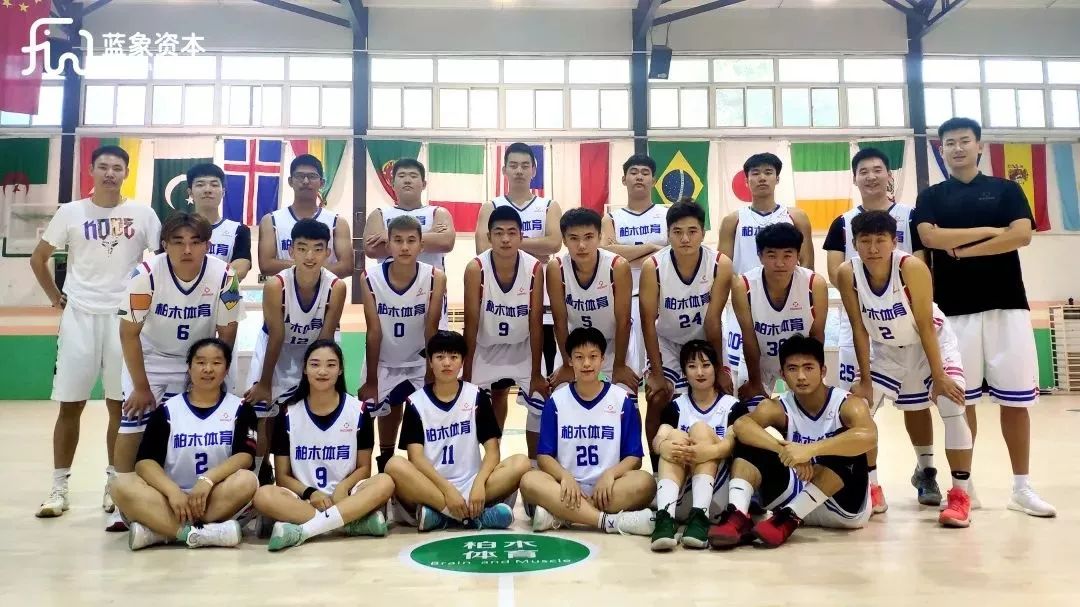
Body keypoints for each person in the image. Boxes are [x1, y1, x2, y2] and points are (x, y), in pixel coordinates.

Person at [913, 117, 1054, 517]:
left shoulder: (1006, 189)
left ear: (979, 145)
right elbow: (930, 237)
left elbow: (1021, 234)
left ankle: (1022, 488)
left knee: (1016, 401)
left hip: (1007, 306)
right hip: (954, 312)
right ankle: (964, 487)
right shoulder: (932, 196)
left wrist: (963, 251)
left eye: (964, 140)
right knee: (962, 402)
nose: (957, 148)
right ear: (941, 149)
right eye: (949, 142)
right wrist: (992, 231)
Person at [31, 145, 161, 520]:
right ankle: (59, 488)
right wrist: (55, 297)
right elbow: (38, 258)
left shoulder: (143, 213)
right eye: (103, 166)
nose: (109, 173)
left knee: (119, 405)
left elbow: (160, 260)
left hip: (124, 320)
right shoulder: (71, 212)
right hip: (80, 317)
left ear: (126, 173)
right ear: (91, 169)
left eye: (117, 168)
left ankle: (113, 484)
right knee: (70, 404)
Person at [836, 210, 974, 527]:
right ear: (855, 243)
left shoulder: (911, 267)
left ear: (894, 241)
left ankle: (960, 496)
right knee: (859, 410)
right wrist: (865, 380)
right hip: (886, 349)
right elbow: (858, 327)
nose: (873, 248)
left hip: (930, 344)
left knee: (952, 405)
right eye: (865, 241)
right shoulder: (848, 273)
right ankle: (872, 489)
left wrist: (939, 376)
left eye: (880, 240)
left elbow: (924, 324)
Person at [824, 147, 939, 513]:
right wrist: (868, 295)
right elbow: (835, 272)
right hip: (860, 320)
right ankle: (868, 481)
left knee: (916, 403)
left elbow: (920, 266)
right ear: (854, 178)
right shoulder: (843, 222)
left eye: (878, 170)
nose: (871, 176)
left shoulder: (909, 216)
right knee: (859, 404)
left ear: (889, 176)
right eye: (863, 171)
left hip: (904, 320)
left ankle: (926, 470)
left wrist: (890, 295)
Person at [114, 212, 240, 532]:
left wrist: (214, 371)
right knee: (133, 422)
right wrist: (141, 387)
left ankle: (195, 496)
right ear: (164, 244)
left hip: (198, 359)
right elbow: (128, 333)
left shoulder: (225, 275)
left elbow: (227, 332)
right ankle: (122, 503)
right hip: (151, 357)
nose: (187, 249)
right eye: (178, 242)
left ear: (207, 245)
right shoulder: (145, 274)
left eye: (195, 242)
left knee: (200, 425)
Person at [707, 336, 876, 549]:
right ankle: (737, 516)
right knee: (749, 439)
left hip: (842, 507)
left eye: (808, 368)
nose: (801, 376)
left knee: (847, 442)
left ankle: (790, 518)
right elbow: (741, 425)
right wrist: (784, 450)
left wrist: (809, 450)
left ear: (823, 371)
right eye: (793, 369)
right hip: (794, 496)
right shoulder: (779, 406)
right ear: (782, 374)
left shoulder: (847, 404)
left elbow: (870, 436)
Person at [111, 338, 258, 551]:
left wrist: (207, 480)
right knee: (121, 485)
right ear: (189, 368)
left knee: (247, 480)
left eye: (217, 363)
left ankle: (163, 532)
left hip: (214, 496)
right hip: (170, 499)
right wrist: (172, 492)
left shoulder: (241, 409)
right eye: (200, 362)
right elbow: (145, 463)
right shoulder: (167, 410)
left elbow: (245, 457)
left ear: (227, 370)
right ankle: (200, 534)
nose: (208, 369)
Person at [252, 340, 395, 552]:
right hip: (304, 499)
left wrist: (343, 487)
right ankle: (350, 524)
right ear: (305, 369)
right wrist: (311, 493)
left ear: (340, 370)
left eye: (331, 364)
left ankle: (306, 529)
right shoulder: (288, 413)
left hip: (346, 497)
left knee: (385, 482)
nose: (322, 371)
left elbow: (364, 468)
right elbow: (282, 476)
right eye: (315, 364)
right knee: (263, 495)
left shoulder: (358, 411)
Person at [384, 331, 530, 531]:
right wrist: (447, 490)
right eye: (440, 357)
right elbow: (416, 458)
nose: (447, 363)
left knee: (521, 462)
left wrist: (479, 483)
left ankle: (442, 516)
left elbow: (492, 451)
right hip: (432, 486)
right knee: (394, 465)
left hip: (472, 485)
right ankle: (469, 516)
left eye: (453, 357)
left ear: (462, 362)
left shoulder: (476, 396)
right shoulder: (416, 402)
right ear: (430, 362)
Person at [520, 327, 655, 536]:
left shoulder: (621, 400)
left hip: (609, 488)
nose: (586, 363)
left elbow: (634, 458)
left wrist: (610, 474)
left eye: (593, 357)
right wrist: (564, 477)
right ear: (570, 361)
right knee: (529, 481)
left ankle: (562, 515)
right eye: (579, 357)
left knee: (646, 483)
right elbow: (544, 456)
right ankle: (608, 521)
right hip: (566, 487)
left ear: (602, 360)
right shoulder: (556, 401)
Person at [243, 219, 346, 482]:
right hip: (275, 351)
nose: (309, 256)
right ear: (291, 251)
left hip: (314, 350)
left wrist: (315, 374)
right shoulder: (276, 285)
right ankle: (261, 470)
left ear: (327, 253)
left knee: (311, 406)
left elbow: (325, 340)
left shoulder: (336, 287)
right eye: (302, 248)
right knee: (264, 411)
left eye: (317, 249)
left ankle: (303, 471)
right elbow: (277, 335)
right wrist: (265, 383)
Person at [640, 200, 733, 454]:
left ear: (703, 233)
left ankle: (718, 459)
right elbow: (647, 321)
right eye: (677, 232)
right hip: (668, 341)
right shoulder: (653, 266)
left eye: (692, 231)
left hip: (705, 340)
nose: (685, 239)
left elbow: (713, 321)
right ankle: (657, 465)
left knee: (721, 392)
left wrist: (719, 368)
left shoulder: (720, 264)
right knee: (658, 396)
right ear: (668, 233)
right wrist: (656, 372)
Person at [359, 215, 445, 473]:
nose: (405, 247)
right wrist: (372, 380)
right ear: (388, 245)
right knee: (380, 411)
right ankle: (384, 463)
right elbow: (373, 331)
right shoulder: (370, 277)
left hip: (419, 361)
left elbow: (431, 328)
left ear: (421, 245)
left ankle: (421, 470)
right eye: (398, 240)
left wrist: (431, 372)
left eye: (411, 241)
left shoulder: (435, 277)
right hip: (384, 360)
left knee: (428, 414)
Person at [463, 206, 548, 461]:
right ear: (489, 237)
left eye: (512, 232)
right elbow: (471, 323)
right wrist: (466, 371)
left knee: (539, 402)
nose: (505, 239)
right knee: (466, 405)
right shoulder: (476, 268)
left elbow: (536, 321)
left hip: (522, 348)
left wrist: (536, 373)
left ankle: (534, 465)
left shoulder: (534, 268)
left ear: (521, 236)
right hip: (485, 348)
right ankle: (485, 461)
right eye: (499, 233)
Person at [718, 153, 813, 379]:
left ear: (777, 178)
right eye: (756, 173)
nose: (762, 178)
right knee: (744, 380)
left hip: (789, 307)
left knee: (798, 373)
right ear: (746, 180)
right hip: (746, 306)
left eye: (768, 172)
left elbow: (807, 264)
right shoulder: (733, 220)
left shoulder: (796, 216)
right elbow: (722, 269)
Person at [475, 142, 563, 378]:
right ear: (504, 170)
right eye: (513, 165)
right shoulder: (491, 206)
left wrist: (507, 246)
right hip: (500, 296)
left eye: (525, 165)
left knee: (544, 370)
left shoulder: (548, 206)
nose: (519, 171)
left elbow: (555, 243)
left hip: (540, 292)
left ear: (534, 170)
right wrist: (535, 246)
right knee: (498, 381)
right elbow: (482, 248)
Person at [651, 341, 745, 552]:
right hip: (680, 498)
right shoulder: (675, 407)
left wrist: (707, 451)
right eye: (692, 366)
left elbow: (730, 445)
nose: (700, 372)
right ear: (684, 372)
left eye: (706, 365)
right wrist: (662, 446)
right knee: (674, 436)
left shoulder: (733, 406)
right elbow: (659, 438)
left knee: (700, 429)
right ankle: (665, 518)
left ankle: (700, 516)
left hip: (718, 497)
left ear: (716, 368)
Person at [730, 223, 827, 407]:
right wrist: (755, 382)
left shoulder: (815, 284)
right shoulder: (743, 285)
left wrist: (814, 375)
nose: (780, 263)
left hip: (799, 363)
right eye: (772, 255)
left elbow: (817, 335)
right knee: (754, 411)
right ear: (760, 256)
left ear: (798, 255)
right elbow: (749, 338)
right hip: (760, 363)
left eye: (787, 255)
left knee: (810, 410)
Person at [547, 208, 638, 393]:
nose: (582, 245)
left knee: (624, 396)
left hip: (615, 344)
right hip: (575, 345)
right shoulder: (556, 268)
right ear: (564, 240)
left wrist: (620, 365)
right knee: (562, 395)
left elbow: (623, 321)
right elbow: (559, 321)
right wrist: (567, 363)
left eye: (588, 237)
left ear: (599, 237)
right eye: (574, 238)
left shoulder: (617, 266)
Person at [601, 154, 668, 373]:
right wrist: (652, 247)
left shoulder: (667, 215)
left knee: (659, 366)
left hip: (661, 296)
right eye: (634, 172)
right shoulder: (611, 218)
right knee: (629, 367)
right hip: (624, 297)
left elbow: (672, 254)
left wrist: (625, 254)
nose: (639, 177)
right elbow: (607, 253)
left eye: (645, 173)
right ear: (624, 179)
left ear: (654, 181)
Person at [258, 154, 353, 279]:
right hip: (283, 289)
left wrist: (303, 267)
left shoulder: (338, 222)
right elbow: (266, 266)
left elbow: (347, 267)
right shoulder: (271, 221)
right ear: (290, 181)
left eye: (312, 176)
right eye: (300, 176)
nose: (306, 181)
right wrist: (311, 266)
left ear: (322, 183)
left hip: (326, 290)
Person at [188, 163, 252, 281]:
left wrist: (203, 284)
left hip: (222, 293)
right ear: (190, 192)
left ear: (223, 192)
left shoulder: (239, 230)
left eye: (214, 185)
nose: (207, 190)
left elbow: (240, 269)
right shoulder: (177, 229)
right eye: (200, 185)